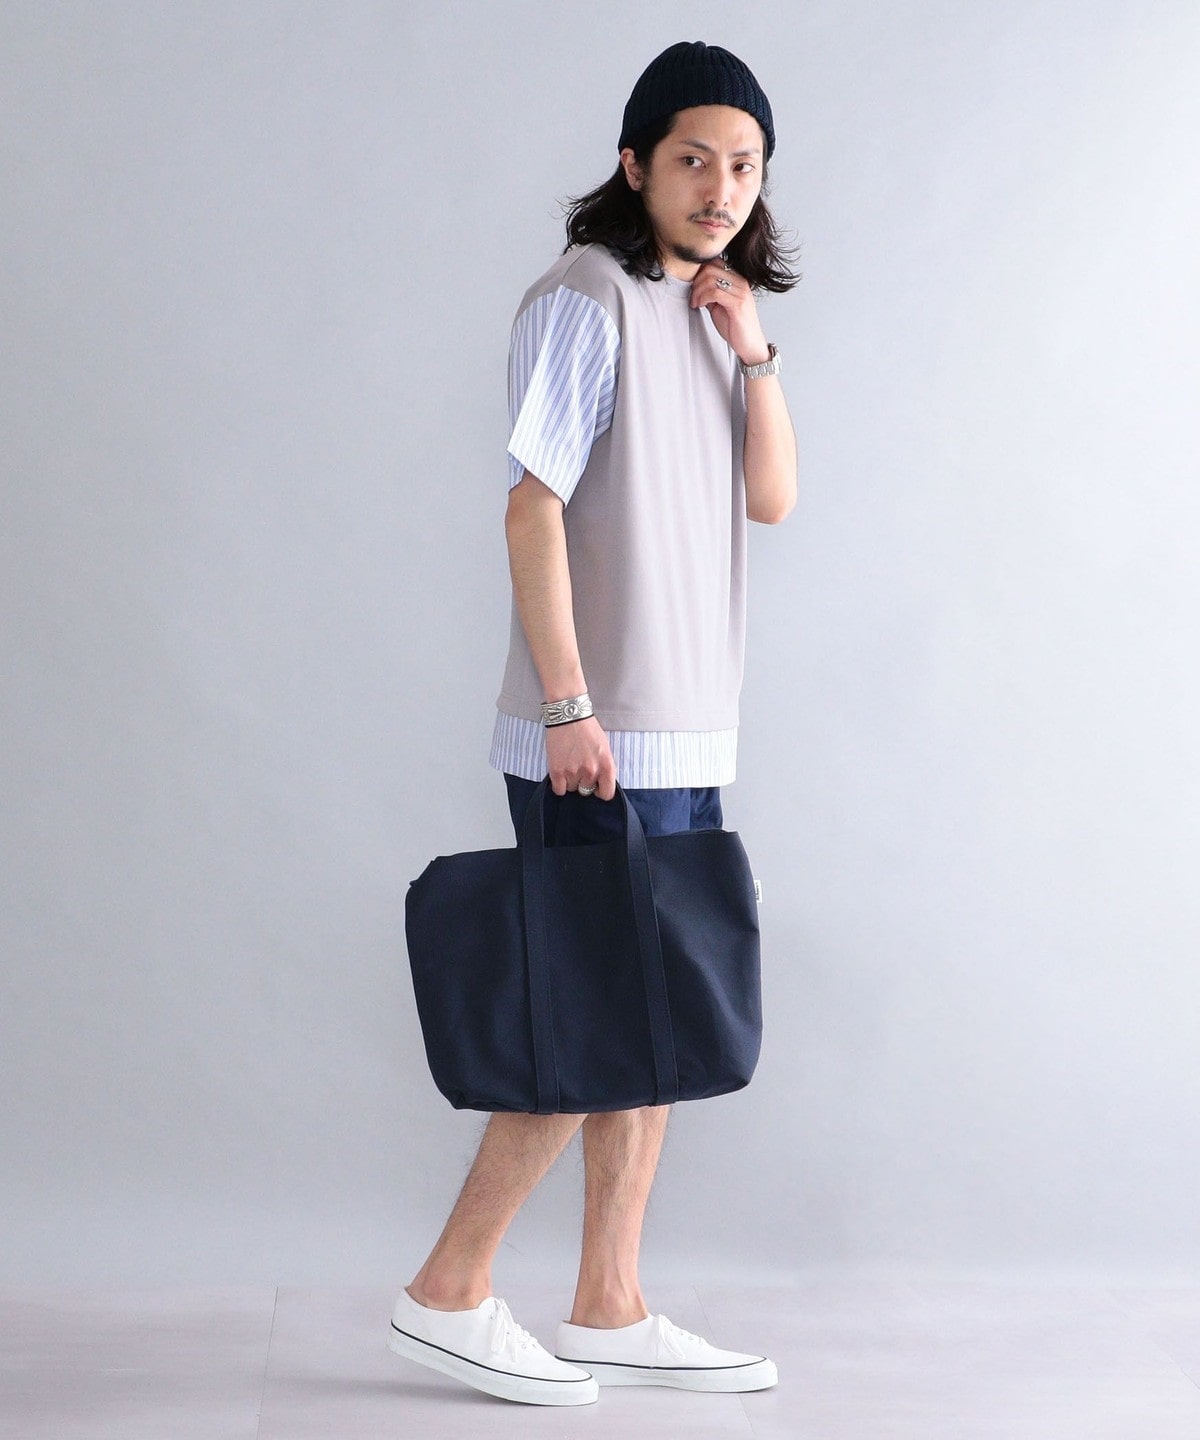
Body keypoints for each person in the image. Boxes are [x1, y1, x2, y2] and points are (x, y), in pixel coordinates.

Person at [389, 40, 799, 1407]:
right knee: (586, 1011)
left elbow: (772, 499)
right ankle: (449, 1290)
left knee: (651, 1022)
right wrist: (567, 705)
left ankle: (608, 1305)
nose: (719, 188)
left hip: (685, 728)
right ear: (635, 164)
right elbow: (533, 505)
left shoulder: (712, 313)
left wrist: (755, 352)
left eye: (743, 166)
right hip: (597, 731)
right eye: (692, 160)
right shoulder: (587, 298)